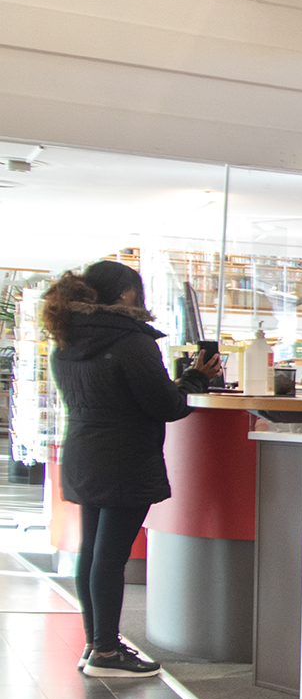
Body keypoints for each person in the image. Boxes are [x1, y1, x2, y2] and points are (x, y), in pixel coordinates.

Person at [42, 261, 222, 677]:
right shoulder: (131, 340)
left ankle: (96, 643)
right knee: (111, 556)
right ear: (125, 294)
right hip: (125, 456)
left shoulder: (67, 337)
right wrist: (195, 379)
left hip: (84, 450)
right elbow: (167, 405)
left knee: (92, 551)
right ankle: (107, 653)